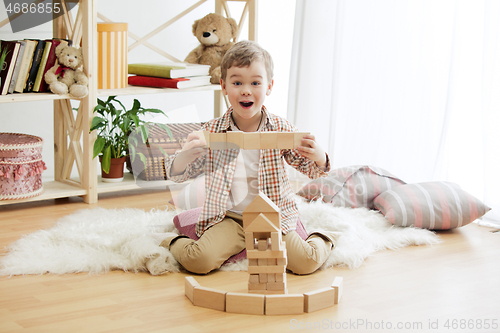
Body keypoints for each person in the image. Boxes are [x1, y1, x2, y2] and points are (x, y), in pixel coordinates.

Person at [160, 40, 339, 275]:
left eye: (255, 82)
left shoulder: (280, 128)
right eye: (237, 82)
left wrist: (318, 157)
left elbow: (311, 169)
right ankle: (169, 241)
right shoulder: (212, 131)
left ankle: (323, 237)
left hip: (273, 216)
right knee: (200, 261)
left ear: (269, 86)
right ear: (224, 86)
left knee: (305, 262)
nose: (246, 90)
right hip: (229, 218)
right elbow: (178, 172)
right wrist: (183, 158)